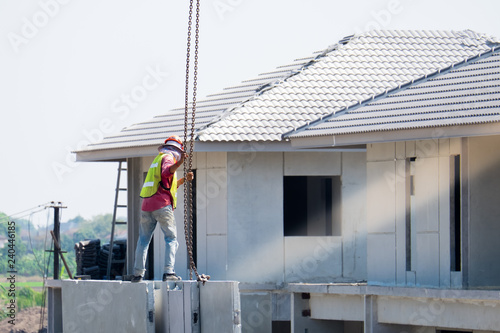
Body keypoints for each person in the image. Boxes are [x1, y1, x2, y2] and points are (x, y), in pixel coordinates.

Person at [131, 135, 194, 282]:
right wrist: (181, 162)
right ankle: (168, 272)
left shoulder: (157, 159)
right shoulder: (168, 158)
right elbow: (167, 172)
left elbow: (168, 184)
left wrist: (184, 179)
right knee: (171, 238)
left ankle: (137, 274)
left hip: (147, 206)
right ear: (176, 150)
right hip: (161, 205)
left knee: (143, 240)